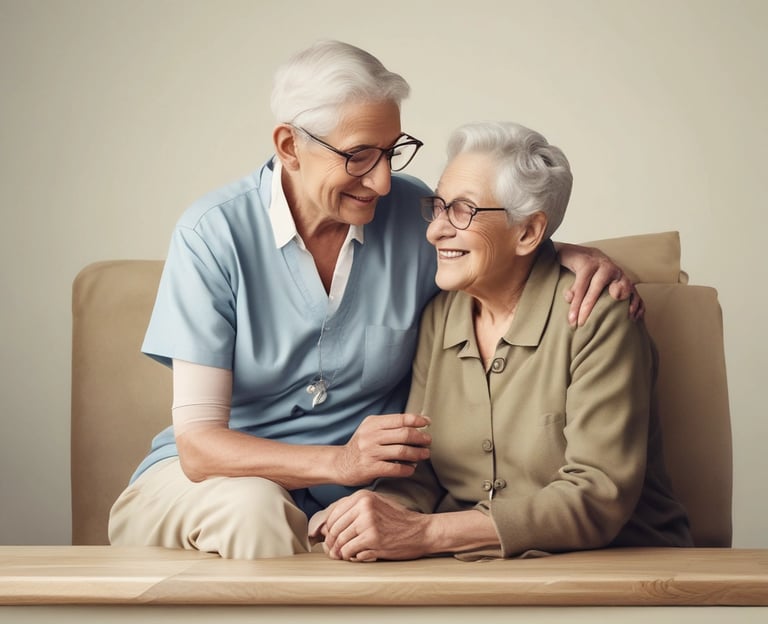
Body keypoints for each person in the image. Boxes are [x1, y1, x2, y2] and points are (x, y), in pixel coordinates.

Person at [108, 41, 642, 560]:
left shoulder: (411, 214)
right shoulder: (212, 235)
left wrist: (563, 252)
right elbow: (200, 448)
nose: (382, 181)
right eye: (359, 156)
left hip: (355, 494)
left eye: (391, 152)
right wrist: (341, 463)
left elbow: (489, 239)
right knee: (255, 508)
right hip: (215, 485)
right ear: (290, 146)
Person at [309, 121, 692, 562]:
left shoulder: (595, 316)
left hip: (619, 567)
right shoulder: (440, 316)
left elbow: (596, 496)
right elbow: (421, 473)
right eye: (438, 207)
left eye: (463, 211)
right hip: (475, 568)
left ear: (528, 232)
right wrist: (370, 514)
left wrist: (427, 533)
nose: (434, 231)